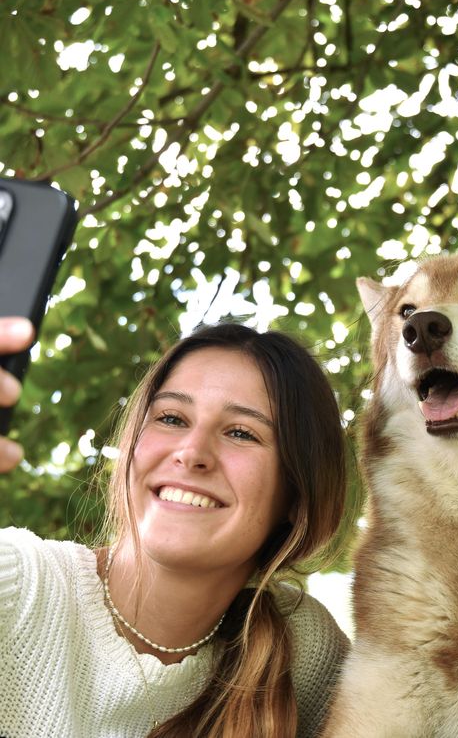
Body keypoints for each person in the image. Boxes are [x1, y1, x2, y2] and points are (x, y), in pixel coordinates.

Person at [0, 316, 350, 738]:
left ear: (297, 494)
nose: (192, 452)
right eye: (171, 418)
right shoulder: (19, 586)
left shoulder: (303, 651)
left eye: (240, 432)